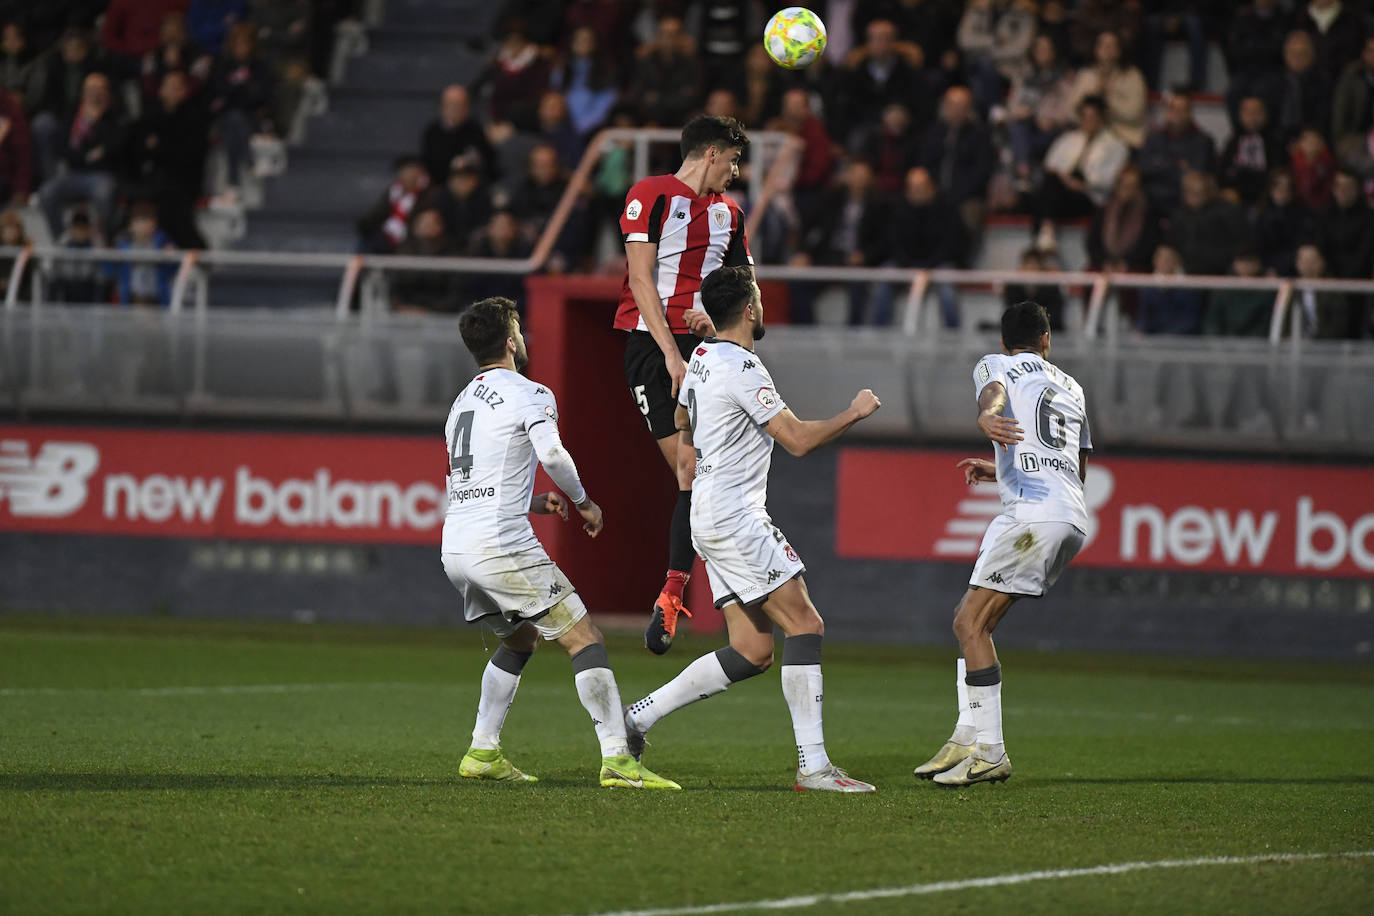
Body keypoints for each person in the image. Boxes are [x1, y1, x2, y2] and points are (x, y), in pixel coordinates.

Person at [623, 265, 882, 793]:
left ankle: (637, 718)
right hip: (737, 517)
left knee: (753, 651)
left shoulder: (700, 358)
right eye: (759, 298)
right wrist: (854, 413)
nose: (762, 307)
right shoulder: (741, 367)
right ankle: (814, 768)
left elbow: (680, 422)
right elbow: (798, 440)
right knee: (806, 625)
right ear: (749, 309)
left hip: (708, 514)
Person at [444, 296, 679, 791]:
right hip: (499, 546)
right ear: (510, 341)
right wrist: (583, 501)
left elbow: (472, 482)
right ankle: (618, 759)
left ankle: (482, 751)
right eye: (519, 330)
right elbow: (552, 451)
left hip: (458, 546)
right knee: (584, 637)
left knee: (521, 637)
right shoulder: (530, 393)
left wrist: (534, 502)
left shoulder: (461, 402)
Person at [914, 300, 1091, 786]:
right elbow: (1075, 467)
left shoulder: (996, 364)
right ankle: (966, 737)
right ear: (1047, 341)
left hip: (1031, 514)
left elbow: (992, 393)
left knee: (969, 623)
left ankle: (990, 751)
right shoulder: (1072, 388)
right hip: (1069, 516)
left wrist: (986, 418)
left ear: (1002, 341)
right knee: (976, 622)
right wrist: (1000, 470)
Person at [616, 115, 752, 654]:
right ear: (713, 153)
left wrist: (723, 329)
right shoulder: (649, 194)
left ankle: (677, 591)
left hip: (708, 349)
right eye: (735, 162)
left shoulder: (732, 215)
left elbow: (751, 304)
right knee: (689, 468)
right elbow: (641, 278)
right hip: (652, 347)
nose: (736, 174)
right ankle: (687, 589)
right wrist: (673, 354)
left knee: (705, 473)